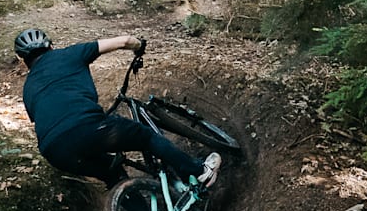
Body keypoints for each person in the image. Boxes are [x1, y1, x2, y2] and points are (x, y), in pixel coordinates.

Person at [15, 29, 220, 190]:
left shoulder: (28, 89)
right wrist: (139, 46)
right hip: (86, 127)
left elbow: (48, 118)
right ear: (51, 46)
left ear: (24, 61)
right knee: (146, 137)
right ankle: (198, 171)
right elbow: (124, 41)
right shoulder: (69, 54)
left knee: (112, 174)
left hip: (54, 151)